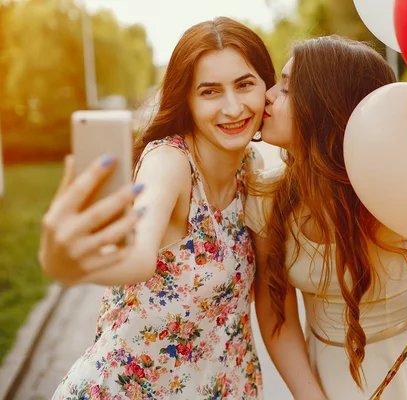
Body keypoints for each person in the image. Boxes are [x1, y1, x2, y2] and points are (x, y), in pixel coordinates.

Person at [41, 17, 274, 399]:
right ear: (187, 100)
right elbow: (139, 255)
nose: (233, 107)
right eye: (210, 92)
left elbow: (271, 310)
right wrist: (65, 264)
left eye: (244, 84)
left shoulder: (252, 170)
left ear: (265, 86)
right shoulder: (170, 162)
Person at [246, 35, 407, 400]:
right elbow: (277, 316)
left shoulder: (397, 188)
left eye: (287, 89)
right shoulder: (265, 197)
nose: (268, 96)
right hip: (325, 379)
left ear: (324, 108)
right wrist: (311, 396)